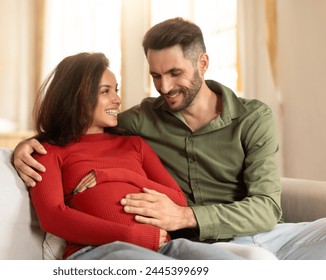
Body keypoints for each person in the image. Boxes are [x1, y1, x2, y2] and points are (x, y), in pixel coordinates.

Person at [13, 18, 326, 259]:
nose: (164, 86)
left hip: (258, 233)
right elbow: (79, 125)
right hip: (193, 244)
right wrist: (30, 144)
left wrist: (183, 215)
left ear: (202, 63)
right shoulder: (141, 120)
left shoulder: (253, 118)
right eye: (156, 76)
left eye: (175, 73)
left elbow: (266, 208)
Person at [27, 51, 246, 260]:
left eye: (116, 89)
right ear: (76, 97)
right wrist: (129, 235)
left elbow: (178, 200)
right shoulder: (49, 151)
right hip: (97, 251)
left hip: (166, 247)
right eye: (106, 91)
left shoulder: (134, 144)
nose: (118, 100)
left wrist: (119, 175)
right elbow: (53, 217)